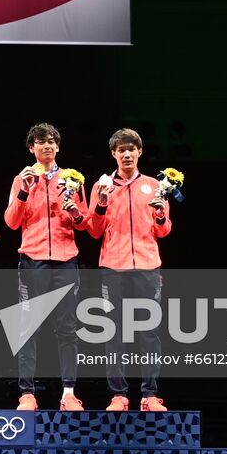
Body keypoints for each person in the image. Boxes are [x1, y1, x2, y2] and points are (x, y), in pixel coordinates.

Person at [85, 128, 172, 413]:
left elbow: (164, 230)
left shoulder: (155, 186)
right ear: (113, 154)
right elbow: (94, 230)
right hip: (113, 266)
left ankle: (150, 396)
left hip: (147, 265)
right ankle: (119, 396)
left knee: (149, 331)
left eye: (131, 149)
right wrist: (100, 204)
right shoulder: (102, 187)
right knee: (115, 332)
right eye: (121, 149)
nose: (126, 154)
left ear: (139, 152)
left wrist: (160, 214)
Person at [4, 122, 90, 411]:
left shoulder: (72, 179)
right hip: (33, 259)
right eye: (41, 142)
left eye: (52, 141)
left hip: (66, 259)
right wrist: (24, 192)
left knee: (67, 328)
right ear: (32, 147)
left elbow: (85, 222)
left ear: (58, 146)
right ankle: (27, 394)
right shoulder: (22, 179)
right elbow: (11, 222)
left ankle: (68, 393)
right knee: (29, 327)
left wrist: (75, 211)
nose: (47, 146)